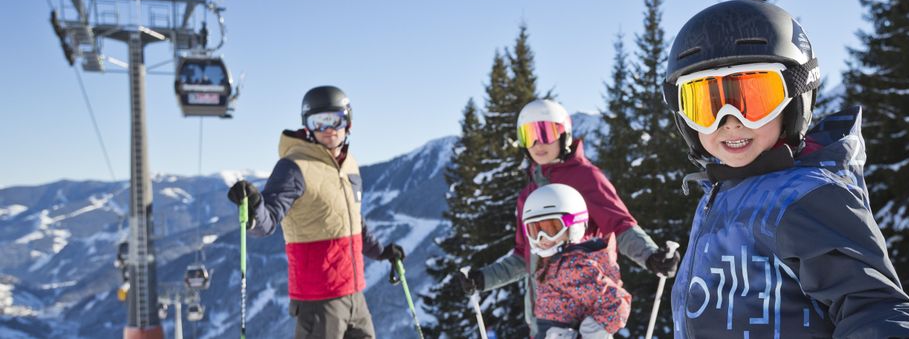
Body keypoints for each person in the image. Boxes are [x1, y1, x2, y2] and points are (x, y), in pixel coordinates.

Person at [661, 0, 909, 338]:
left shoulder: (806, 197)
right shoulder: (720, 193)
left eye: (755, 99)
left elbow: (871, 306)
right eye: (706, 104)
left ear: (795, 99)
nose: (730, 121)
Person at [453, 98, 681, 336]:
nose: (537, 143)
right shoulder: (528, 195)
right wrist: (483, 279)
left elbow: (619, 226)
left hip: (586, 319)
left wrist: (650, 256)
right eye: (528, 135)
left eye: (546, 133)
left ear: (564, 135)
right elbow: (525, 256)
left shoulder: (585, 177)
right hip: (543, 318)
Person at [226, 85, 405, 339]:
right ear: (308, 126)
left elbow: (353, 219)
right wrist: (254, 208)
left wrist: (380, 251)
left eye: (335, 120)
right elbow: (268, 221)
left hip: (355, 295)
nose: (328, 129)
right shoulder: (294, 167)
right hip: (319, 300)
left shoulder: (350, 164)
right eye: (319, 122)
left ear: (348, 123)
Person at [523, 183, 631, 339]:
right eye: (535, 230)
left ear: (574, 225)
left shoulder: (575, 266)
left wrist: (590, 334)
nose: (542, 238)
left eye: (551, 229)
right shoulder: (555, 261)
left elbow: (617, 303)